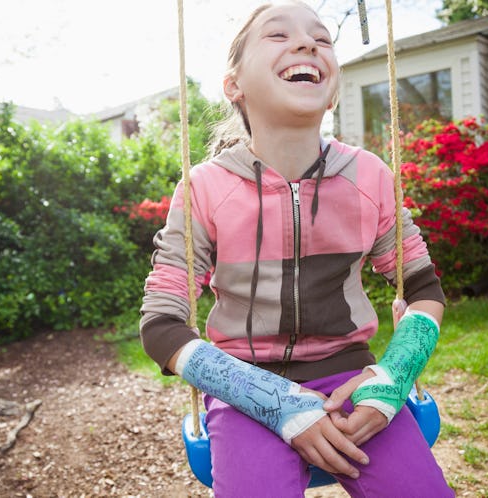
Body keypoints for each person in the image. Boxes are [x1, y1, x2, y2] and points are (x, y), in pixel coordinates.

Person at [140, 2, 453, 496]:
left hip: (353, 380)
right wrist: (273, 401)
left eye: (322, 38)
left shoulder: (368, 176)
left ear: (331, 93)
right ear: (234, 85)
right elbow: (161, 326)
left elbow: (423, 289)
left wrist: (393, 379)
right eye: (278, 35)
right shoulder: (205, 188)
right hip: (241, 387)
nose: (307, 44)